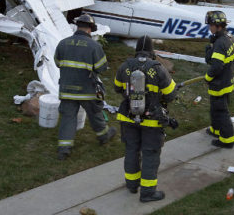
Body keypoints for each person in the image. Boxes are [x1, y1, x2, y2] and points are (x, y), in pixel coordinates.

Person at [114, 36, 177, 202]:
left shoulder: (125, 66)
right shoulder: (158, 68)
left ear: (136, 50)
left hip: (128, 117)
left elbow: (116, 88)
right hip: (152, 121)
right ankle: (148, 193)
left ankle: (132, 185)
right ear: (152, 52)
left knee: (131, 151)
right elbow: (171, 95)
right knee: (150, 155)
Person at [54, 14, 116, 161]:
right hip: (86, 90)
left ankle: (64, 149)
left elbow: (57, 62)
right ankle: (104, 136)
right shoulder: (94, 46)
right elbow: (101, 68)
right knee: (95, 113)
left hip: (66, 89)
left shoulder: (63, 43)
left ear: (77, 26)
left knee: (68, 118)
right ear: (90, 29)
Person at [204, 11, 234, 148]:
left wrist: (207, 77)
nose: (209, 28)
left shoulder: (220, 43)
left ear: (217, 26)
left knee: (221, 111)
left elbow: (216, 66)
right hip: (228, 80)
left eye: (210, 25)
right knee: (215, 109)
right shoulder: (230, 37)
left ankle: (227, 140)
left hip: (219, 83)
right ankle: (215, 130)